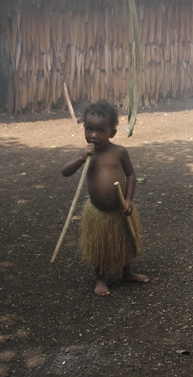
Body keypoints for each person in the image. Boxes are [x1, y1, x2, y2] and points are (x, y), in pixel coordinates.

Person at [61, 100, 148, 295]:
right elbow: (65, 172)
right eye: (89, 129)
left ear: (112, 133)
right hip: (97, 211)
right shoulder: (85, 154)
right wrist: (81, 158)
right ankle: (100, 278)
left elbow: (131, 175)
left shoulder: (119, 152)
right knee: (99, 245)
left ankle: (127, 272)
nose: (93, 135)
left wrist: (129, 200)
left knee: (124, 241)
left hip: (120, 209)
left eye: (101, 131)